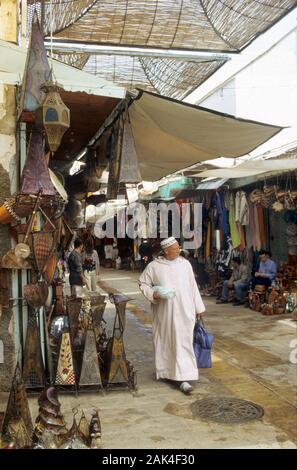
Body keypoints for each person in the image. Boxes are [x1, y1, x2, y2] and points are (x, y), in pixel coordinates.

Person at [138, 237, 205, 395]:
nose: (179, 250)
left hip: (185, 311)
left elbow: (193, 287)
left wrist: (198, 307)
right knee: (168, 342)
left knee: (184, 342)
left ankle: (184, 377)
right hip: (165, 313)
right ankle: (169, 373)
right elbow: (143, 283)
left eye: (178, 247)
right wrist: (154, 293)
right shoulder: (154, 266)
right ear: (167, 251)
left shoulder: (185, 264)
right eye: (175, 248)